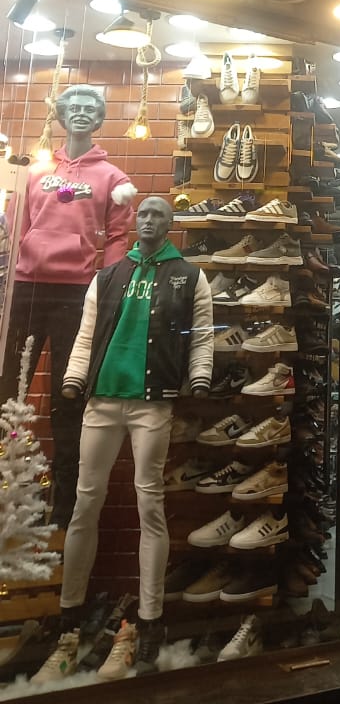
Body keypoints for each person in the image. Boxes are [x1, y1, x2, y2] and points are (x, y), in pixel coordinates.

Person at [31, 196, 213, 684]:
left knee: (149, 504)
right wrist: (74, 377)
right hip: (102, 399)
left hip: (153, 402)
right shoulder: (109, 275)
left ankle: (150, 618)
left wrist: (199, 375)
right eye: (143, 214)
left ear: (170, 224)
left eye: (158, 215)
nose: (149, 220)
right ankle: (71, 612)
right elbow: (86, 334)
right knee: (84, 502)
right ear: (135, 220)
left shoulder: (188, 276)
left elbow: (201, 335)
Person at [0, 83, 136, 526]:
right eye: (72, 107)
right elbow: (15, 222)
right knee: (7, 384)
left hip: (75, 293)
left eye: (89, 108)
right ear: (60, 115)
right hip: (26, 287)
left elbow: (118, 236)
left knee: (67, 393)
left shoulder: (112, 178)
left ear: (99, 119)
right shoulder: (37, 170)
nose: (80, 113)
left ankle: (62, 508)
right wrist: (18, 262)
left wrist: (106, 283)